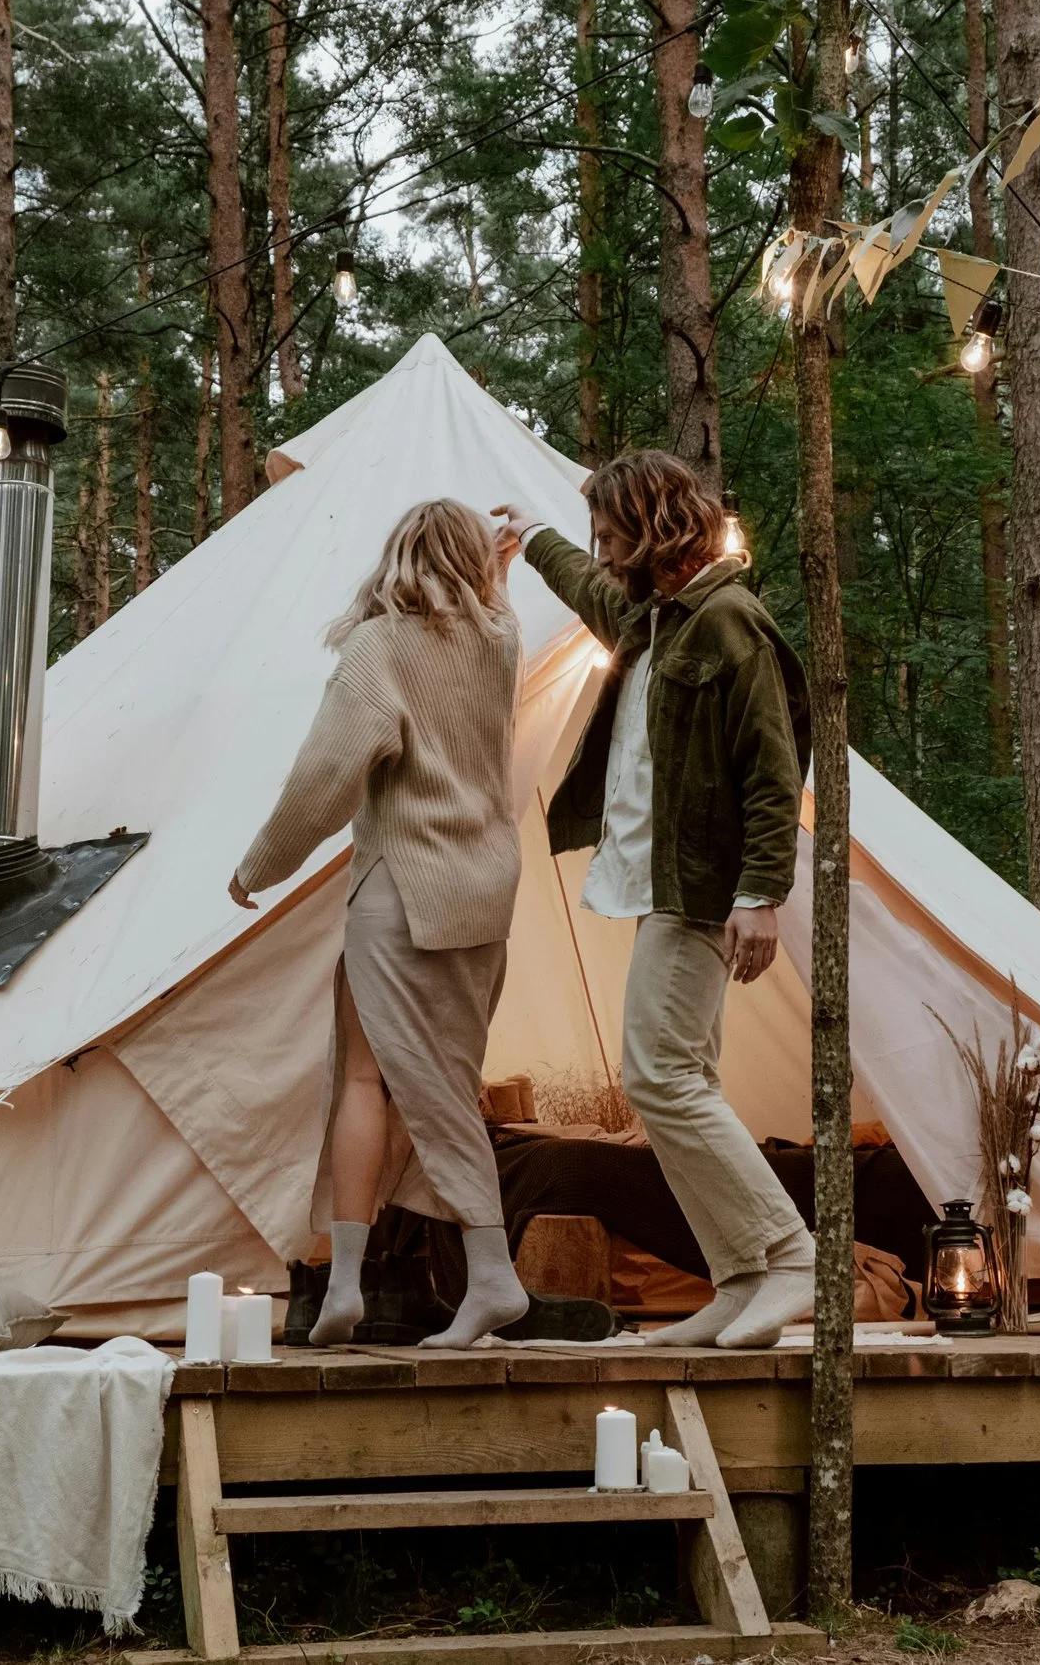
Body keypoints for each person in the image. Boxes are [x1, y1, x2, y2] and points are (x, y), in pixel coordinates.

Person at [492, 454, 815, 1348]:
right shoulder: (659, 619)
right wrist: (535, 537)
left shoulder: (729, 620)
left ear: (651, 528)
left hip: (702, 890)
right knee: (683, 1078)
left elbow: (773, 767)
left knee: (659, 1076)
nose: (601, 550)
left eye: (609, 535)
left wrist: (761, 891)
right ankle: (741, 1277)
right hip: (660, 884)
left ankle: (790, 1256)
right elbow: (593, 593)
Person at [230, 498, 531, 1350]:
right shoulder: (501, 642)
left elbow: (327, 774)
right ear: (472, 561)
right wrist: (497, 572)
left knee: (376, 1082)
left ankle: (470, 1273)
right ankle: (353, 1287)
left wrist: (261, 863)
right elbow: (476, 628)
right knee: (443, 1079)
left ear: (398, 553)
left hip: (404, 887)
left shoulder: (379, 648)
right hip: (484, 890)